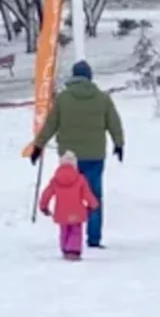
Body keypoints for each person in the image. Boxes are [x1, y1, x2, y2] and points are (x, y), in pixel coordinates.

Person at [29, 60, 125, 249]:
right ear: (90, 77)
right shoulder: (102, 98)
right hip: (95, 156)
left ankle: (69, 235)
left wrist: (38, 146)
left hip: (69, 159)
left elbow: (50, 125)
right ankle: (94, 238)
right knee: (94, 196)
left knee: (68, 194)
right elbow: (114, 123)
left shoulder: (63, 99)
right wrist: (119, 144)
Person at [38, 151, 99, 261]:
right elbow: (87, 194)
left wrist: (43, 206)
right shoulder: (80, 179)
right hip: (77, 211)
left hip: (61, 212)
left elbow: (46, 193)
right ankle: (73, 251)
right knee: (76, 231)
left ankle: (65, 248)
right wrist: (93, 204)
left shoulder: (55, 180)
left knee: (64, 230)